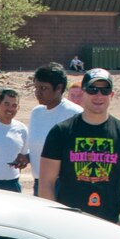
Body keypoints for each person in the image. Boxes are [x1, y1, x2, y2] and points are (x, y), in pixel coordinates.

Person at [38, 69, 120, 226]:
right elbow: (46, 182)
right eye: (92, 89)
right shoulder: (61, 132)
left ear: (112, 95)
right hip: (68, 222)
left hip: (110, 223)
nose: (98, 95)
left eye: (104, 90)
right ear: (83, 93)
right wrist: (54, 220)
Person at [24, 63, 82, 197]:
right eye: (36, 87)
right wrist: (26, 157)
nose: (38, 92)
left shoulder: (75, 114)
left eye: (43, 88)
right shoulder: (36, 112)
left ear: (59, 88)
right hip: (39, 183)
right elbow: (39, 147)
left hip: (64, 185)